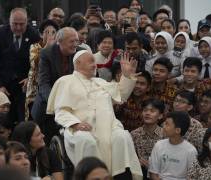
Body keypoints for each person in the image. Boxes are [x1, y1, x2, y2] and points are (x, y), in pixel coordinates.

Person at [47, 50, 142, 179]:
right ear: (78, 63)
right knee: (87, 141)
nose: (95, 64)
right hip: (81, 128)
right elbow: (61, 111)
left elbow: (121, 95)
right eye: (91, 61)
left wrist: (126, 76)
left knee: (122, 137)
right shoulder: (65, 81)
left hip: (109, 127)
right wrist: (75, 124)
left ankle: (120, 176)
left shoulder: (101, 82)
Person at [0, 8, 40, 123]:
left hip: (23, 86)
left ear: (27, 22)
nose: (18, 27)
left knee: (23, 120)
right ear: (9, 21)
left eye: (21, 24)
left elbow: (37, 62)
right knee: (3, 120)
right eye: (15, 24)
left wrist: (30, 78)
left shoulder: (33, 34)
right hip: (3, 83)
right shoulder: (0, 33)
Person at [31, 27, 80, 141]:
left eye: (76, 41)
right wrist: (56, 102)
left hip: (72, 106)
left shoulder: (80, 53)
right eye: (71, 41)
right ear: (60, 42)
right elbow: (43, 84)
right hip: (48, 107)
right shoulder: (47, 53)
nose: (75, 44)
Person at [25, 19, 59, 120]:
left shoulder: (58, 48)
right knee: (33, 116)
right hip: (34, 88)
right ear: (40, 34)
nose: (50, 35)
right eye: (47, 32)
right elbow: (35, 63)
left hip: (49, 86)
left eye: (53, 32)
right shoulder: (34, 47)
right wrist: (48, 46)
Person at [149, 111, 197, 180]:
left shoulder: (191, 151)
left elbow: (192, 177)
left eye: (167, 124)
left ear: (177, 130)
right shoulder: (158, 145)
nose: (163, 126)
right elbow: (153, 173)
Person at [131, 99, 165, 179]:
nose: (147, 113)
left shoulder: (165, 135)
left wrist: (151, 166)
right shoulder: (134, 134)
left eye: (152, 111)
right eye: (145, 110)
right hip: (139, 173)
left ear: (160, 115)